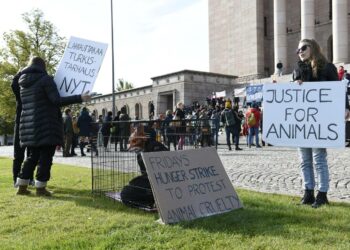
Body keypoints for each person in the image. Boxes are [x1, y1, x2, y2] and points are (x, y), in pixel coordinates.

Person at [15, 56, 91, 196]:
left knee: (31, 157)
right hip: (46, 125)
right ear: (42, 66)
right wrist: (79, 97)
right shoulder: (46, 79)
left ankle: (22, 186)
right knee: (45, 158)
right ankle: (40, 188)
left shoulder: (22, 83)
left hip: (29, 126)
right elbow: (56, 100)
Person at [293, 38, 350, 208]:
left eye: (303, 48)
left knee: (319, 158)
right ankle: (308, 193)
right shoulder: (298, 69)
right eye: (298, 50)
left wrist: (345, 107)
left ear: (313, 48)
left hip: (320, 121)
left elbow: (339, 89)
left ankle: (322, 194)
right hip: (303, 121)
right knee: (304, 159)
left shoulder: (327, 67)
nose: (300, 52)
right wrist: (296, 85)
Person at [11, 71, 33, 186]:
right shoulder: (20, 93)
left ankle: (29, 178)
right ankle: (16, 179)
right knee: (18, 155)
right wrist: (23, 71)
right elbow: (14, 83)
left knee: (31, 154)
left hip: (32, 124)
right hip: (20, 125)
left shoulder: (34, 91)